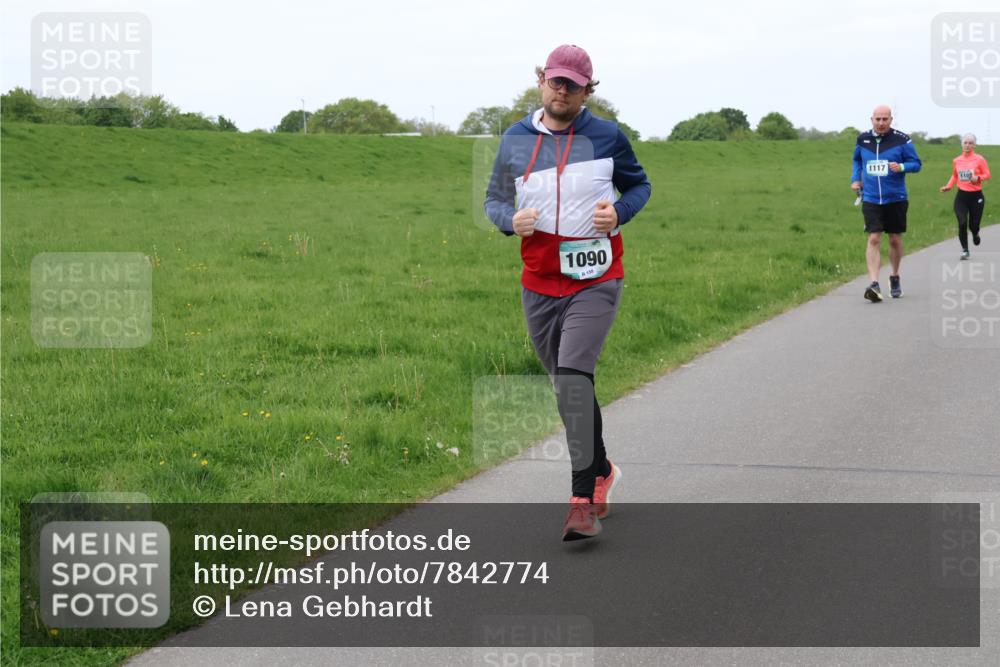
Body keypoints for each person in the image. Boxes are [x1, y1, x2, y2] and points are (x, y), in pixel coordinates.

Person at [484, 44, 651, 540]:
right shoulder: (515, 139)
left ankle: (581, 498)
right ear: (542, 81)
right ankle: (601, 468)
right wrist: (508, 222)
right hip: (539, 280)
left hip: (597, 277)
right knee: (564, 385)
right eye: (555, 81)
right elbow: (494, 199)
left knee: (576, 377)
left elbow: (640, 187)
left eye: (572, 85)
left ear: (586, 91)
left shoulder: (607, 136)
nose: (562, 91)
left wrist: (618, 213)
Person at [851, 105, 922, 302]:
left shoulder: (902, 139)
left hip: (896, 197)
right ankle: (874, 284)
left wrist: (901, 166)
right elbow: (857, 160)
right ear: (871, 119)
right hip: (871, 197)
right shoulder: (863, 139)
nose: (881, 123)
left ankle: (895, 276)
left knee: (894, 240)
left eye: (885, 119)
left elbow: (917, 164)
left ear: (891, 120)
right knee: (874, 238)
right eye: (878, 119)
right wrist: (855, 179)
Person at [940, 133, 990, 260]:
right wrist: (948, 186)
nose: (967, 145)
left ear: (974, 145)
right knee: (962, 223)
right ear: (962, 144)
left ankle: (975, 233)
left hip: (976, 196)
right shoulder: (957, 160)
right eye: (965, 143)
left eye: (970, 143)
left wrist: (977, 178)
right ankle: (965, 250)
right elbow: (955, 175)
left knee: (973, 225)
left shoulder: (979, 159)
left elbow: (987, 174)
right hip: (961, 196)